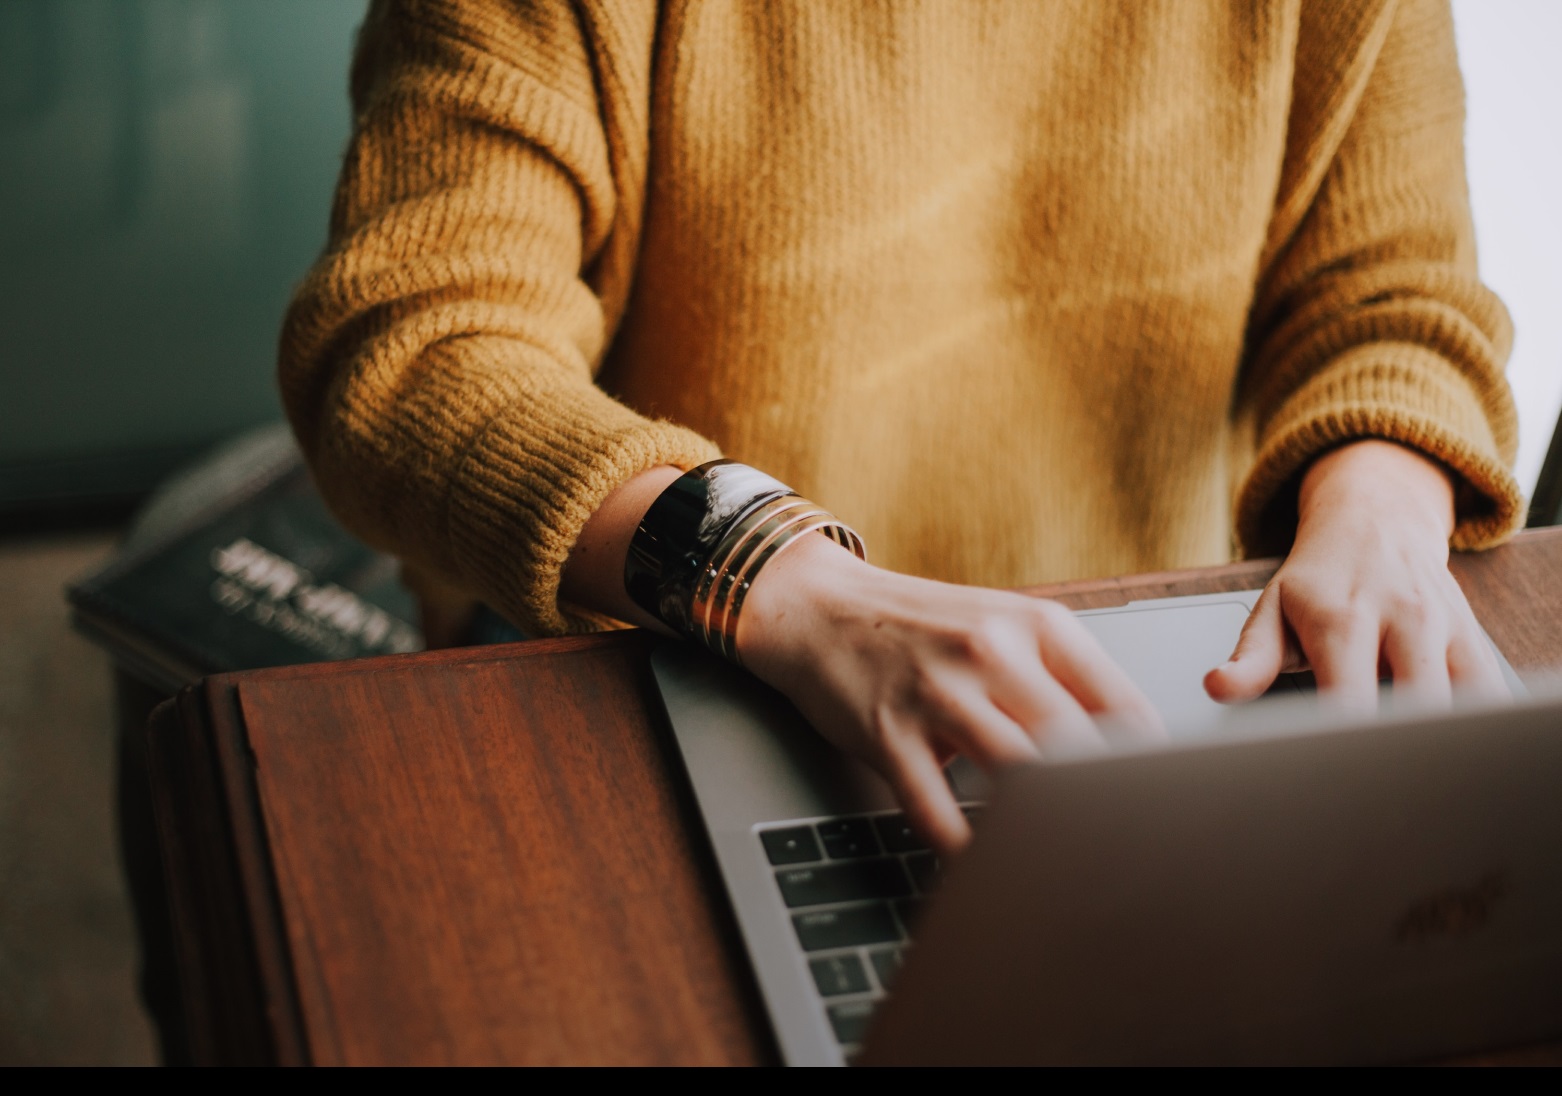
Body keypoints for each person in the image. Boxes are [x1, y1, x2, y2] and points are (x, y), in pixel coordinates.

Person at [279, 0, 1522, 856]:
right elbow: (412, 344)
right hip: (673, 650)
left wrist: (1383, 501)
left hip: (1139, 690)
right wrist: (774, 577)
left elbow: (1393, 297)